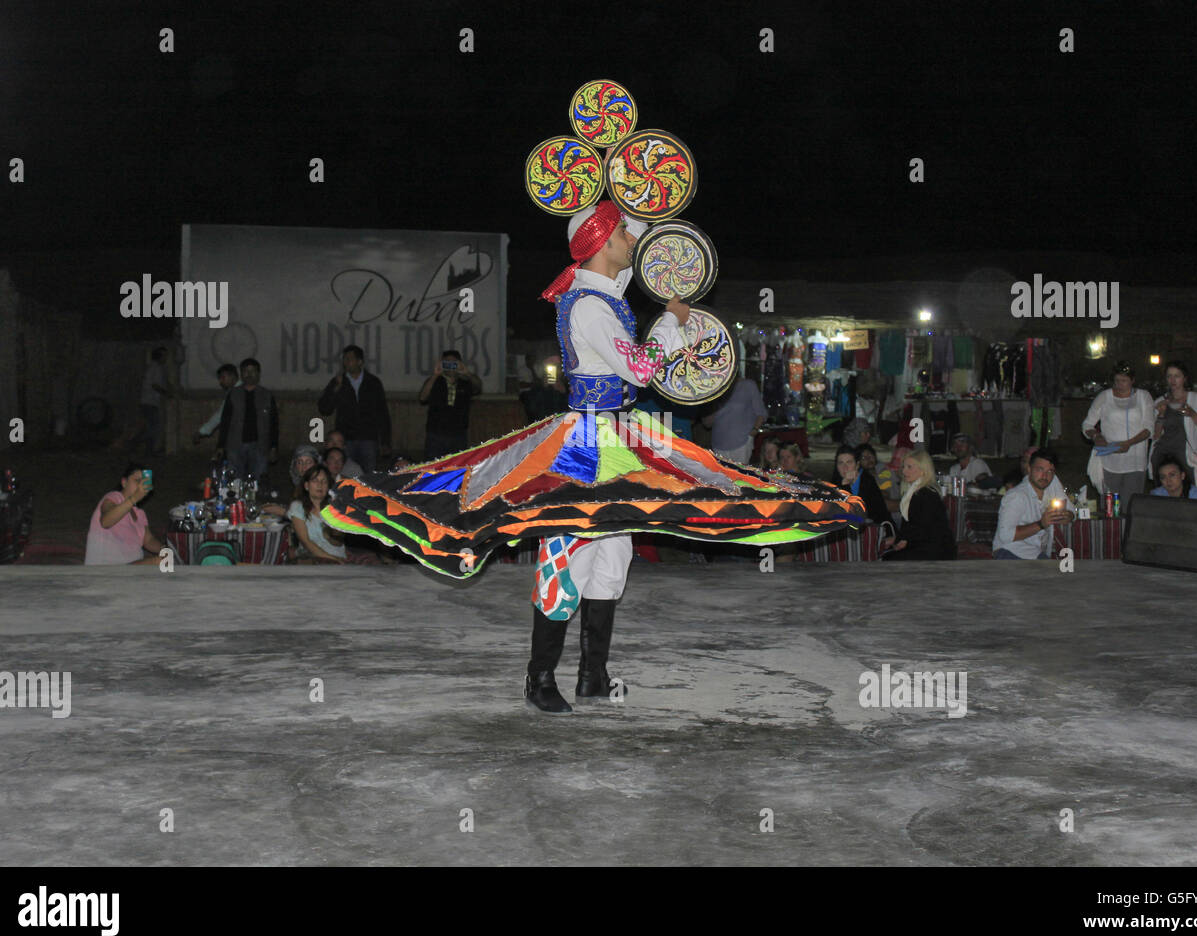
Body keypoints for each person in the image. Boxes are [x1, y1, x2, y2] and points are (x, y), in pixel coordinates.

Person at [322, 200, 864, 715]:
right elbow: (640, 371)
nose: (635, 240)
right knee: (570, 551)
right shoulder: (587, 306)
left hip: (615, 437)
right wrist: (673, 320)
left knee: (615, 555)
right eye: (624, 233)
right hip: (585, 445)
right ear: (602, 241)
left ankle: (593, 675)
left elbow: (623, 277)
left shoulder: (598, 295)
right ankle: (539, 679)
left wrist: (644, 225)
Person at [1081, 361, 1154, 514]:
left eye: (1124, 381)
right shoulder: (1104, 397)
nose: (1120, 384)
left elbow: (1149, 428)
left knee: (1131, 507)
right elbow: (1087, 424)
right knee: (1109, 507)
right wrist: (1096, 435)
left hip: (1135, 461)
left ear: (1132, 380)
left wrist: (1129, 443)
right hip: (1111, 460)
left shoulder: (1143, 397)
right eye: (1117, 381)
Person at [317, 346, 391, 473]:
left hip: (368, 439)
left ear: (360, 361)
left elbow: (382, 413)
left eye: (350, 359)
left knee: (368, 476)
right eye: (344, 359)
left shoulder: (373, 382)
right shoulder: (338, 382)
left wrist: (385, 441)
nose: (346, 362)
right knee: (346, 473)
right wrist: (336, 389)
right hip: (346, 439)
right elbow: (324, 408)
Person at [992, 448, 1073, 559]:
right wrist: (1041, 524)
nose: (1045, 476)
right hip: (1010, 551)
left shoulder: (1052, 484)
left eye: (1050, 471)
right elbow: (1005, 535)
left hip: (1036, 553)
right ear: (1029, 469)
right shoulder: (1016, 495)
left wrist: (1067, 516)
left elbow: (1071, 511)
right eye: (1040, 470)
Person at [1150, 360, 1197, 498]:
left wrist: (1192, 414)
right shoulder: (1160, 401)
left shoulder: (1196, 399)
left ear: (1185, 378)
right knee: (1164, 492)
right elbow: (1155, 434)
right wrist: (1160, 414)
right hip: (1162, 453)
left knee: (1188, 492)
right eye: (1169, 376)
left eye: (1176, 376)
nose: (1172, 380)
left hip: (1186, 454)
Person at [84, 464, 167, 565]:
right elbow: (105, 521)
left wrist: (166, 550)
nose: (140, 485)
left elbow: (149, 540)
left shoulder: (140, 514)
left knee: (167, 560)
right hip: (105, 569)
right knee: (160, 562)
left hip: (129, 569)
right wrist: (134, 498)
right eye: (137, 480)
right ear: (124, 482)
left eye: (144, 482)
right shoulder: (113, 498)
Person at [881, 450, 955, 560]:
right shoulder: (915, 490)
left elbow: (924, 528)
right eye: (904, 467)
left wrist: (899, 539)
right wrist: (901, 539)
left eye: (909, 467)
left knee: (889, 559)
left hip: (935, 549)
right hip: (924, 544)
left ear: (923, 470)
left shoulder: (927, 493)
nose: (904, 471)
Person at [217, 358, 279, 479]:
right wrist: (220, 446)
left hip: (260, 445)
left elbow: (273, 423)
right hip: (235, 445)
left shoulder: (266, 395)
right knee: (234, 480)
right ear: (241, 373)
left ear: (258, 374)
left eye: (253, 371)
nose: (249, 374)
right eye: (246, 371)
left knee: (258, 480)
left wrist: (273, 446)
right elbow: (225, 421)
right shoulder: (233, 394)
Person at [419, 349, 482, 459]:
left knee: (456, 469)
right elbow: (422, 397)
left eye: (454, 363)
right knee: (433, 468)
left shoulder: (465, 383)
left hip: (458, 434)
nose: (450, 366)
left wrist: (467, 373)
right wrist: (435, 375)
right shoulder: (435, 381)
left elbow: (478, 387)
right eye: (447, 363)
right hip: (436, 434)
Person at [288, 464, 347, 563]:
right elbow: (306, 542)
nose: (320, 485)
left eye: (324, 481)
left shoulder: (334, 508)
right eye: (315, 481)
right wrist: (333, 559)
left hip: (337, 556)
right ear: (307, 485)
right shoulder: (298, 507)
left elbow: (338, 542)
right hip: (314, 558)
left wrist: (332, 534)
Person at [702, 376, 767, 465]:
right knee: (722, 477)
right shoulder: (715, 389)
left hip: (742, 444)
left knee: (740, 477)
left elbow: (761, 413)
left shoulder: (748, 385)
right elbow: (706, 423)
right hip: (718, 445)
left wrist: (752, 433)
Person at [834, 445, 890, 525]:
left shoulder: (867, 481)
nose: (845, 467)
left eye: (849, 462)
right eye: (840, 463)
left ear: (857, 465)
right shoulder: (835, 482)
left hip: (871, 528)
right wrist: (844, 485)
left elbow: (875, 511)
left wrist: (845, 486)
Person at [134, 347, 172, 457]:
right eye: (164, 355)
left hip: (152, 401)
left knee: (152, 426)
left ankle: (148, 450)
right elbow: (155, 385)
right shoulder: (154, 368)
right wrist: (166, 393)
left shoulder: (159, 368)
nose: (166, 358)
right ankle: (137, 442)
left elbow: (163, 382)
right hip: (149, 401)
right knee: (153, 427)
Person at [194, 363, 238, 450]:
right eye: (220, 378)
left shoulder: (236, 393)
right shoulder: (234, 392)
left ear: (232, 376)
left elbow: (220, 415)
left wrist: (201, 431)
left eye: (223, 377)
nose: (220, 381)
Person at [519, 354, 570, 424]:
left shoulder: (569, 389)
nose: (555, 372)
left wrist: (563, 392)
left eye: (558, 367)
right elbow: (532, 412)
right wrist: (544, 387)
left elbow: (572, 415)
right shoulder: (536, 392)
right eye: (551, 368)